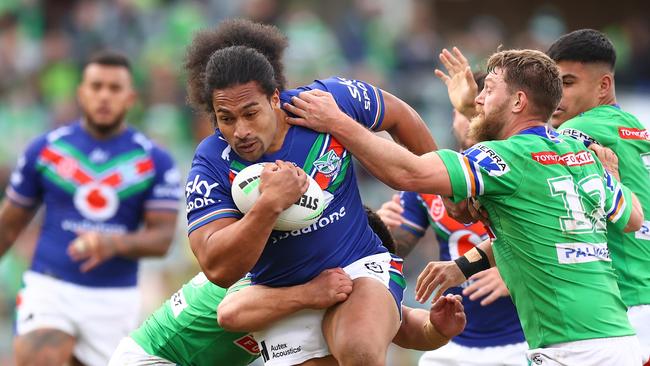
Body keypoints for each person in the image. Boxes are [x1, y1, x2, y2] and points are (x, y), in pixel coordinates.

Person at [284, 48, 645, 365]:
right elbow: (632, 218)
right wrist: (612, 177)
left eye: (488, 90)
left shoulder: (504, 159)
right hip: (617, 337)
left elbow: (406, 172)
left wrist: (337, 122)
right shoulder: (580, 154)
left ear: (518, 101)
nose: (480, 99)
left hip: (571, 349)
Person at [183, 19, 437, 366]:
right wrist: (269, 205)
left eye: (250, 113)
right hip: (283, 296)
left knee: (360, 352)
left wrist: (442, 193)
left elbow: (400, 116)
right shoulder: (212, 162)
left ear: (274, 97)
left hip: (358, 267)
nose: (240, 130)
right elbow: (217, 267)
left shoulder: (323, 103)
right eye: (226, 118)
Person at [0, 51, 181, 366]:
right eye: (96, 86)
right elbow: (9, 226)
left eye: (114, 88)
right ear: (81, 93)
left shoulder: (154, 162)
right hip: (50, 287)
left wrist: (112, 244)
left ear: (130, 97)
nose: (104, 96)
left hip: (115, 300)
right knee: (40, 357)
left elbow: (162, 239)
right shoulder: (46, 150)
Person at [108, 207, 467, 366]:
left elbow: (401, 326)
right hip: (154, 360)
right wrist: (311, 294)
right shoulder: (279, 265)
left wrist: (438, 328)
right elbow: (229, 313)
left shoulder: (341, 283)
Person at [376, 70, 527, 366]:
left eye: (480, 109)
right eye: (465, 110)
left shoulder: (524, 172)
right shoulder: (435, 177)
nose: (472, 117)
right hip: (452, 346)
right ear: (453, 117)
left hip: (523, 341)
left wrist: (515, 270)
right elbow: (397, 248)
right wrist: (378, 228)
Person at [547, 29, 650, 365]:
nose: (555, 95)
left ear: (604, 86)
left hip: (624, 306)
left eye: (568, 82)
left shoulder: (576, 133)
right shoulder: (635, 128)